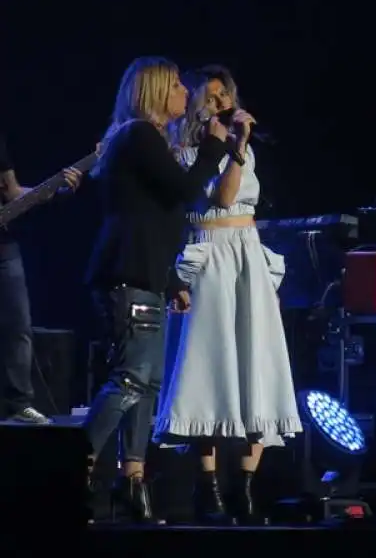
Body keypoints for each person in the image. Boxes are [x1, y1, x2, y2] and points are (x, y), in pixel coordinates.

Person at [153, 65, 302, 525]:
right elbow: (221, 198)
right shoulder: (183, 148)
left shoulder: (245, 148)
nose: (219, 103)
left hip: (247, 254)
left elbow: (245, 201)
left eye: (225, 95)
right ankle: (208, 487)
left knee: (257, 362)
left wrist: (242, 146)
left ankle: (247, 487)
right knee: (209, 363)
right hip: (210, 252)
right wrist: (235, 146)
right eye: (210, 95)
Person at [83, 56, 229, 523]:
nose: (186, 94)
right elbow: (185, 192)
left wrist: (168, 281)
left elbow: (153, 214)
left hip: (145, 274)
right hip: (127, 274)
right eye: (177, 88)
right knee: (130, 378)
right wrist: (213, 148)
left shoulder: (142, 141)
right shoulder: (138, 136)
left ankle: (133, 481)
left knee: (147, 384)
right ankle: (77, 461)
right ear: (155, 91)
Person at [0, 134, 81, 424]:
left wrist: (53, 191)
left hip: (3, 247)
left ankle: (17, 404)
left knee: (18, 325)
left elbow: (11, 193)